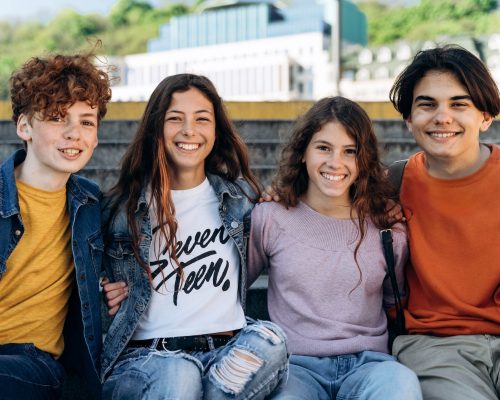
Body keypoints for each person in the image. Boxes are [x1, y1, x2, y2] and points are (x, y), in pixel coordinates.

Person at [100, 73, 288, 400]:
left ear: (216, 130)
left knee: (271, 339)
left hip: (225, 352)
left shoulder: (241, 199)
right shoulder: (122, 208)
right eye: (175, 119)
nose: (190, 130)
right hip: (149, 359)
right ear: (156, 128)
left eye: (202, 119)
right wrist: (103, 288)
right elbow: (85, 280)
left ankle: (216, 392)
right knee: (180, 373)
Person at [247, 96, 422, 400]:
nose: (335, 162)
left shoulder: (386, 226)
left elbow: (397, 298)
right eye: (324, 148)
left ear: (363, 160)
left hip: (369, 364)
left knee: (401, 384)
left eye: (350, 151)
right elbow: (233, 288)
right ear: (303, 152)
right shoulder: (271, 216)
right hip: (295, 368)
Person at [388, 45, 500, 400]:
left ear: (485, 116)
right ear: (409, 119)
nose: (442, 117)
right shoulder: (390, 185)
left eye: (458, 104)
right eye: (427, 104)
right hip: (434, 346)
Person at [0, 52, 112, 399]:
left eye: (86, 122)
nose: (73, 134)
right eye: (56, 117)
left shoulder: (95, 207)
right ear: (24, 127)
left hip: (31, 361)